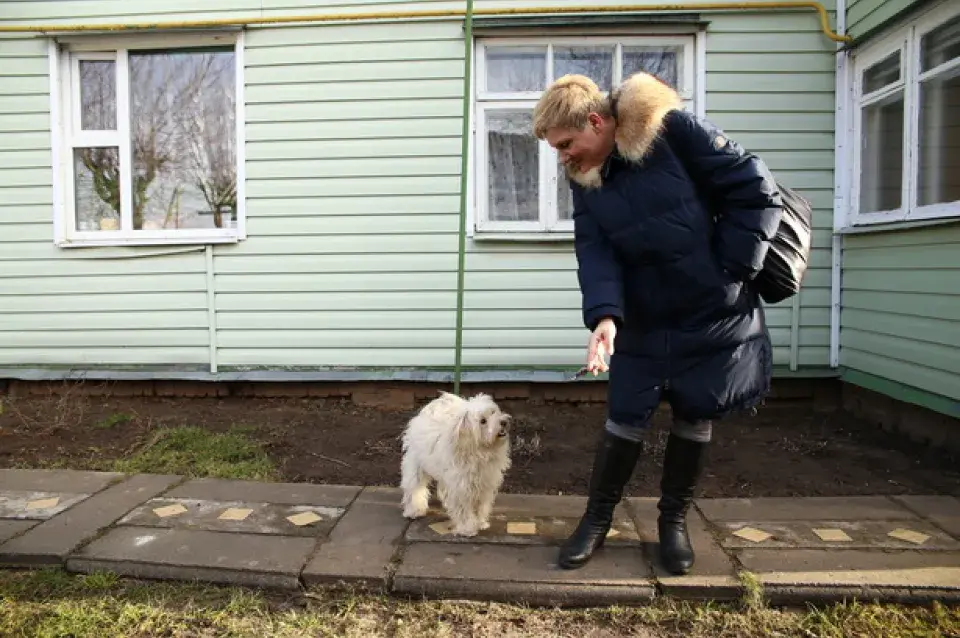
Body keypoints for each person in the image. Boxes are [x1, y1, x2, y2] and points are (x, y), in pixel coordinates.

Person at [532, 72, 782, 575]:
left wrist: (730, 271)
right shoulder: (584, 175)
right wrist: (604, 315)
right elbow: (594, 247)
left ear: (597, 121)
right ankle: (596, 520)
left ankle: (673, 524)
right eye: (556, 149)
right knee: (624, 417)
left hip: (710, 310)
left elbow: (755, 188)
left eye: (566, 143)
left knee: (695, 412)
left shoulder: (671, 131)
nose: (563, 156)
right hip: (642, 317)